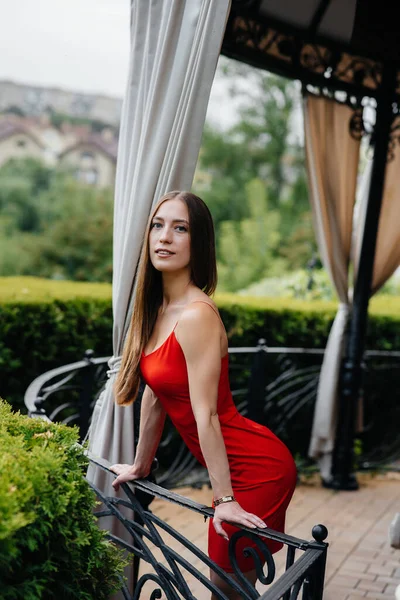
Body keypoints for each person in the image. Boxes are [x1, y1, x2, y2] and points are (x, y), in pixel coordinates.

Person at [110, 190, 297, 599]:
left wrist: (224, 499)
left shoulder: (197, 315)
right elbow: (155, 395)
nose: (164, 237)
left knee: (226, 584)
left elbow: (207, 415)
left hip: (255, 468)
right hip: (230, 469)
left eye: (181, 229)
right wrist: (142, 464)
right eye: (158, 226)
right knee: (227, 583)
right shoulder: (157, 310)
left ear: (199, 243)